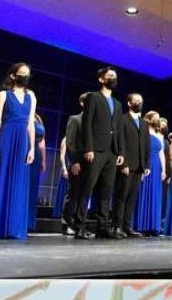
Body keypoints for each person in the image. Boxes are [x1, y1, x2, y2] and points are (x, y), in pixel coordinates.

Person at [0, 64, 36, 240]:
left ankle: (13, 227)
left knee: (18, 180)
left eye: (27, 74)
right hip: (6, 137)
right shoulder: (3, 95)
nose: (24, 77)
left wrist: (31, 147)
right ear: (12, 75)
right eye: (21, 74)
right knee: (1, 177)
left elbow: (31, 123)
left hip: (23, 140)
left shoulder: (31, 96)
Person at [77, 67, 125, 239]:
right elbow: (87, 124)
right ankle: (80, 226)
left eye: (115, 77)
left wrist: (120, 152)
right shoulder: (93, 97)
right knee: (87, 188)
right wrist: (88, 148)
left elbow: (118, 130)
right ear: (101, 79)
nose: (113, 79)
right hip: (95, 150)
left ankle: (102, 227)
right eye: (110, 76)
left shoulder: (118, 104)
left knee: (106, 190)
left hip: (112, 153)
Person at [112, 93, 151, 238]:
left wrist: (146, 164)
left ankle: (127, 227)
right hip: (127, 164)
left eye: (141, 101)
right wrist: (124, 164)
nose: (139, 103)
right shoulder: (122, 119)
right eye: (137, 101)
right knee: (121, 196)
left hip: (139, 166)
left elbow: (146, 145)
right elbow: (120, 141)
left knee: (132, 198)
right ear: (129, 103)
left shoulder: (144, 123)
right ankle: (116, 226)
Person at [58, 93, 87, 236]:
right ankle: (66, 224)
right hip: (77, 163)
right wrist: (74, 161)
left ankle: (79, 226)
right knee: (73, 194)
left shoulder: (94, 122)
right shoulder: (75, 119)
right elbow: (69, 142)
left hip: (90, 165)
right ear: (82, 103)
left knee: (83, 196)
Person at [133, 111, 166, 236]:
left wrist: (164, 170)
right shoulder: (142, 131)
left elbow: (161, 153)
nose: (158, 120)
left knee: (155, 195)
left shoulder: (159, 135)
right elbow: (139, 150)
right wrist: (141, 168)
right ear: (149, 119)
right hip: (146, 165)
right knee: (143, 193)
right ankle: (141, 225)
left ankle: (153, 226)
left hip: (157, 166)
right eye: (156, 118)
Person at [27, 113, 46, 231]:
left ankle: (29, 222)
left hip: (37, 155)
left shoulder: (38, 118)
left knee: (32, 188)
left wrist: (43, 160)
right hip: (26, 151)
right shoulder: (25, 115)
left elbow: (42, 142)